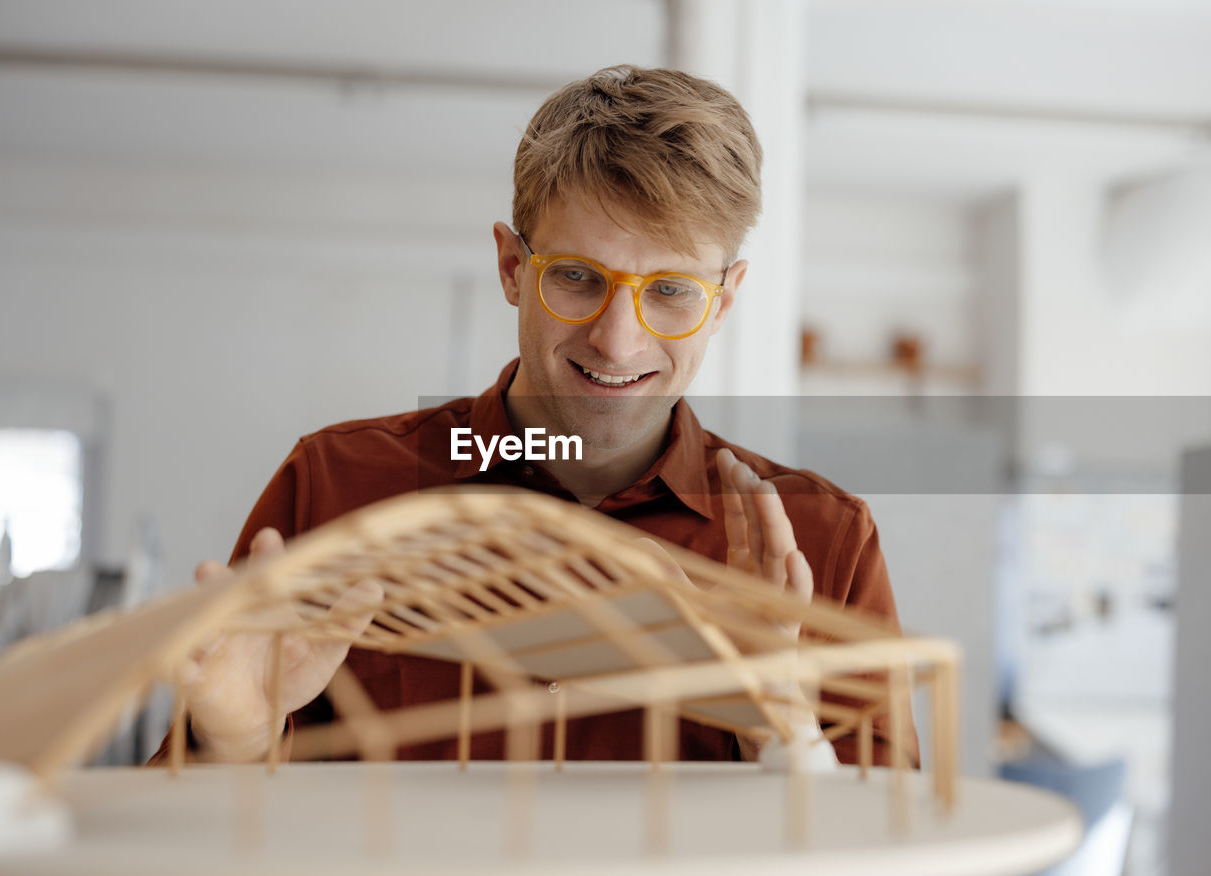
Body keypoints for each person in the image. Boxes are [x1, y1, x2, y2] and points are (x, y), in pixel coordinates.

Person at [153, 65, 913, 767]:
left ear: (725, 299)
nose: (618, 339)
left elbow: (904, 864)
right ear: (513, 268)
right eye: (578, 278)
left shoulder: (825, 541)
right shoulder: (337, 487)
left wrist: (783, 730)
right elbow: (175, 843)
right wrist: (233, 743)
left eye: (673, 290)